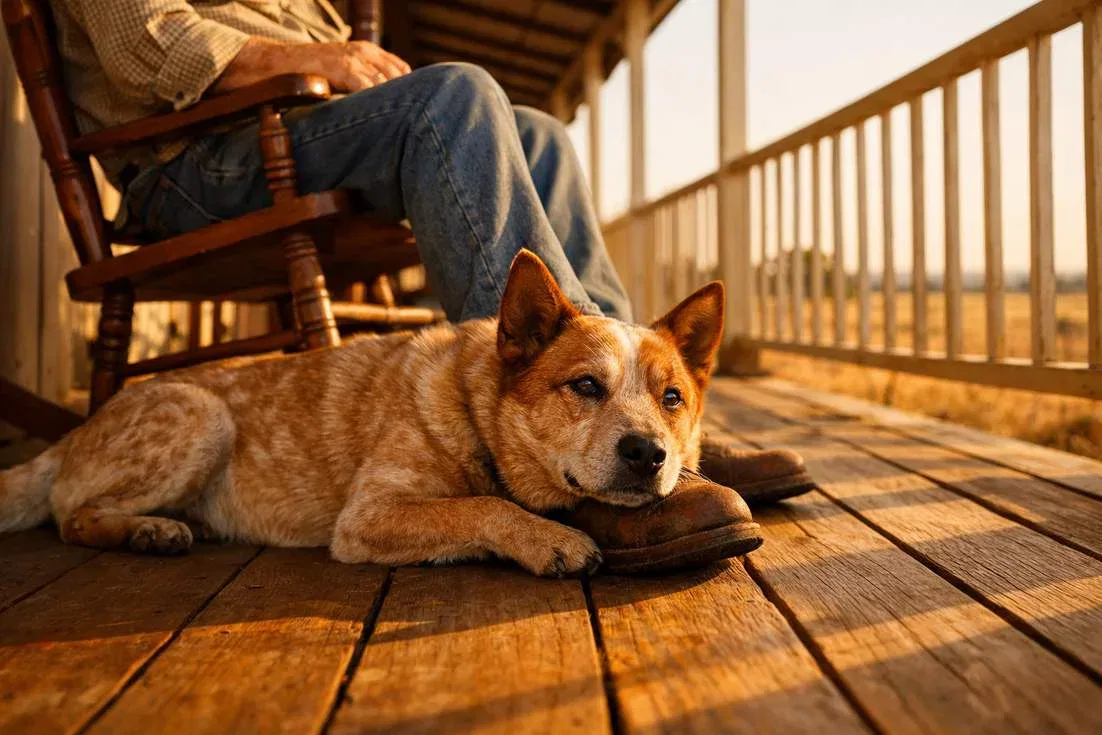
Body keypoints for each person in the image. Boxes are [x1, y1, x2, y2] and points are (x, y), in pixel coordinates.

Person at [48, 1, 813, 560]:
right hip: (190, 162)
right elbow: (145, 46)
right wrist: (322, 59)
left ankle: (638, 423)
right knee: (456, 96)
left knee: (539, 135)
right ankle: (570, 461)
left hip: (282, 135)